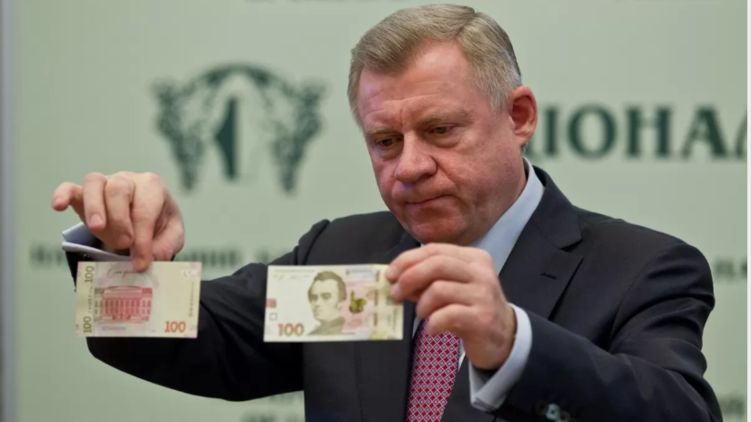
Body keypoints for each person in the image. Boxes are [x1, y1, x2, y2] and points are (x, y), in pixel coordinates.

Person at [51, 4, 721, 421]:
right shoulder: (341, 255)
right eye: (384, 141)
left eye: (440, 130)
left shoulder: (640, 269)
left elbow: (679, 412)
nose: (409, 167)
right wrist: (122, 251)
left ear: (518, 117)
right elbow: (185, 343)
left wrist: (513, 343)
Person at [307, 271, 347, 335]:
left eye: (326, 297)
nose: (317, 303)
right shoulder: (312, 334)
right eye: (314, 297)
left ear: (341, 301)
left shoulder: (347, 332)